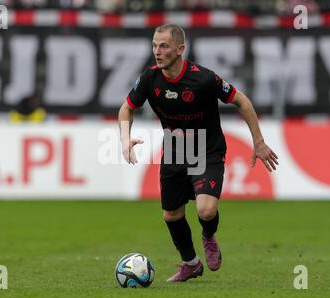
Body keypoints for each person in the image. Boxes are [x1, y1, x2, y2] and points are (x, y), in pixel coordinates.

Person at [118, 24, 279, 282]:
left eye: (164, 46)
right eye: (154, 45)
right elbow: (126, 108)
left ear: (180, 49)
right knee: (172, 214)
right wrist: (125, 137)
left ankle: (208, 236)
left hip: (207, 149)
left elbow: (242, 101)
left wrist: (258, 142)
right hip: (175, 152)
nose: (157, 52)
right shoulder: (150, 78)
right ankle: (190, 264)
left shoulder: (203, 78)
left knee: (205, 210)